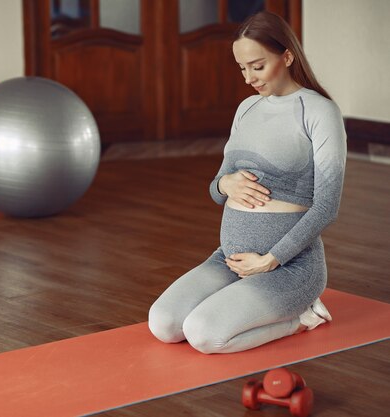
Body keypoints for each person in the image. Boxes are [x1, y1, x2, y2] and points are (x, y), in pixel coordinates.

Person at [148, 11, 347, 354]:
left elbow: (327, 207)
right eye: (242, 68)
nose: (248, 78)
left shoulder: (319, 112)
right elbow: (216, 187)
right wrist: (226, 185)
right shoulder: (246, 109)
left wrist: (270, 260)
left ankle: (302, 316)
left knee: (204, 334)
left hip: (288, 267)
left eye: (257, 66)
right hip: (229, 258)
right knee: (163, 324)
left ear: (286, 56)